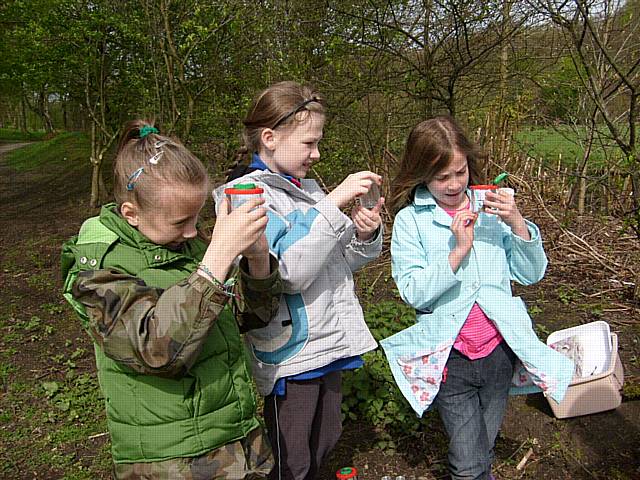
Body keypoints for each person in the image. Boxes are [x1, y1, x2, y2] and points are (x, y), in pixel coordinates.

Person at [61, 120, 283, 479]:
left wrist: (257, 261)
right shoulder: (101, 266)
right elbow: (155, 349)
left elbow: (249, 319)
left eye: (197, 217)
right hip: (173, 459)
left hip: (237, 434)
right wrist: (213, 263)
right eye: (180, 222)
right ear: (130, 214)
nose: (194, 231)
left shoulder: (185, 242)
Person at [382, 116, 574, 480]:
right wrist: (458, 251)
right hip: (450, 356)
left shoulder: (490, 208)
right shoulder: (412, 221)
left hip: (499, 352)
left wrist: (517, 223)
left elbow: (531, 274)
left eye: (460, 171)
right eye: (442, 178)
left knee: (483, 446)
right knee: (468, 464)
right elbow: (412, 291)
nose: (454, 184)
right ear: (422, 174)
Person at [214, 81, 384, 480]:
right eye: (309, 143)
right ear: (270, 138)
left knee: (326, 439)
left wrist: (363, 234)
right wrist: (333, 202)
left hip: (331, 340)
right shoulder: (246, 195)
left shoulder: (306, 187)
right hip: (294, 354)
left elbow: (341, 261)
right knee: (291, 459)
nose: (317, 153)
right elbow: (288, 273)